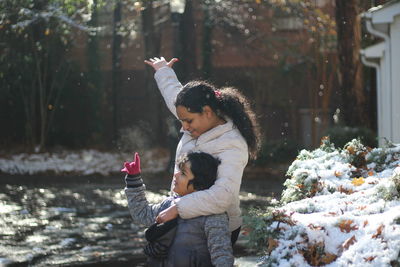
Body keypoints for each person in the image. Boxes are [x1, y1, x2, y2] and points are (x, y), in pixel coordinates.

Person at [144, 57, 261, 245]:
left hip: (217, 228)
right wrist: (163, 71)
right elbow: (173, 93)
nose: (184, 127)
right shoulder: (195, 118)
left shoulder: (232, 144)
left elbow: (222, 196)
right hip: (186, 218)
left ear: (207, 112)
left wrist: (178, 208)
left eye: (188, 121)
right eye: (181, 120)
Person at [122, 152, 234, 267]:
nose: (176, 175)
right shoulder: (169, 204)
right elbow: (142, 214)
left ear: (199, 183)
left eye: (183, 173)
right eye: (178, 170)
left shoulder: (213, 216)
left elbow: (222, 255)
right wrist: (134, 180)